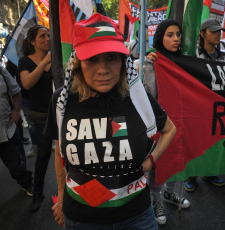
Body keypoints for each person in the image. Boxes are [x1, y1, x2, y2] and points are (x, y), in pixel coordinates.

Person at [44, 13, 176, 230]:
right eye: (92, 59)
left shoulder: (137, 95)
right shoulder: (62, 100)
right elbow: (60, 150)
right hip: (81, 217)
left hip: (137, 215)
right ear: (78, 63)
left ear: (123, 61)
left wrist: (152, 160)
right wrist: (60, 196)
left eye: (112, 57)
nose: (103, 69)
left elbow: (169, 129)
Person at [0, 34, 33, 219]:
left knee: (17, 164)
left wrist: (16, 110)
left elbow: (15, 91)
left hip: (7, 129)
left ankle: (27, 183)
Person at [144, 19, 191, 225]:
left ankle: (171, 193)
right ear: (160, 37)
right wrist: (148, 66)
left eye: (178, 34)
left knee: (177, 159)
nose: (175, 39)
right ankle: (156, 200)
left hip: (182, 120)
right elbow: (149, 95)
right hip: (161, 123)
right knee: (158, 161)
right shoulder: (153, 60)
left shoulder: (186, 61)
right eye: (170, 35)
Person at [183, 18, 225, 192]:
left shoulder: (224, 55)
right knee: (195, 141)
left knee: (214, 141)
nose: (218, 34)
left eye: (219, 31)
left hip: (217, 107)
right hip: (197, 107)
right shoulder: (192, 55)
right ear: (203, 33)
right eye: (214, 31)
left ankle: (208, 172)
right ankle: (191, 174)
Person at [18, 25, 53, 211]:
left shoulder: (56, 58)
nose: (48, 39)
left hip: (61, 114)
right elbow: (27, 83)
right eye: (42, 36)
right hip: (43, 117)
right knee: (44, 154)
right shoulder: (25, 62)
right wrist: (45, 62)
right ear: (32, 42)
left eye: (48, 35)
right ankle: (38, 194)